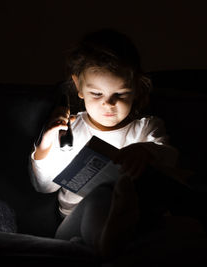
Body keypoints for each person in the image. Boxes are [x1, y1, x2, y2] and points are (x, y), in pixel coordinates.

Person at [28, 28, 183, 258]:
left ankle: (115, 232)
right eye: (97, 94)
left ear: (136, 89)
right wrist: (44, 147)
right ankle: (107, 241)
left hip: (137, 219)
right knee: (101, 197)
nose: (108, 105)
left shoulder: (146, 128)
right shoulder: (71, 130)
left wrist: (145, 150)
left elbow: (171, 158)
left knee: (166, 219)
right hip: (75, 222)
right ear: (78, 87)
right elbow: (43, 186)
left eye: (120, 95)